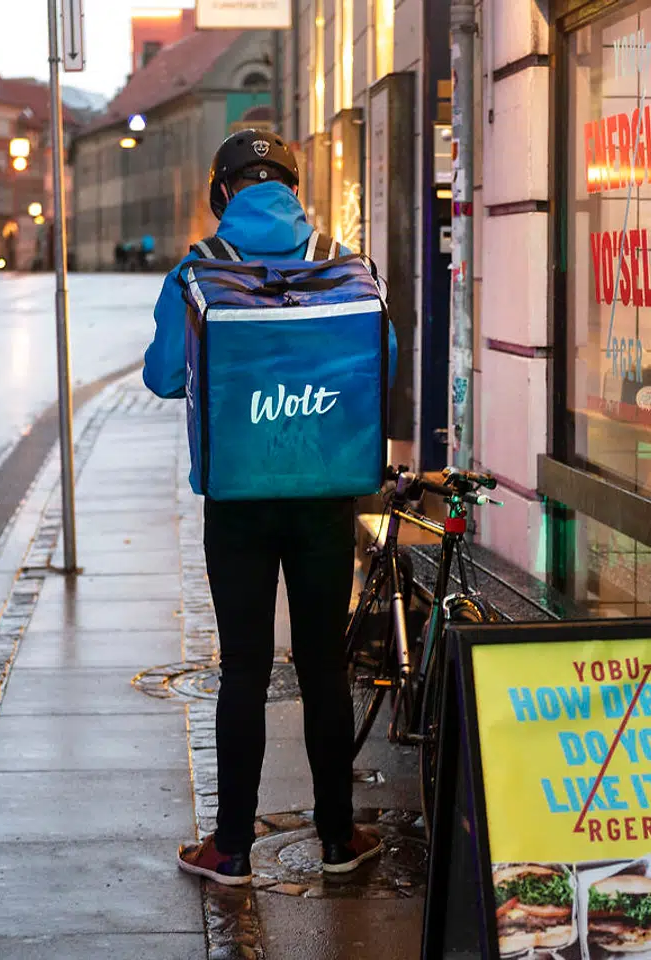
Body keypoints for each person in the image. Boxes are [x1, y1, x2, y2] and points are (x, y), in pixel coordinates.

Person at [145, 130, 389, 886]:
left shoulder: (198, 272)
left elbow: (161, 377)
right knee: (323, 667)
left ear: (223, 193)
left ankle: (231, 850)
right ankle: (340, 838)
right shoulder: (346, 262)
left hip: (240, 503)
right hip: (325, 497)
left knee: (244, 670)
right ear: (293, 188)